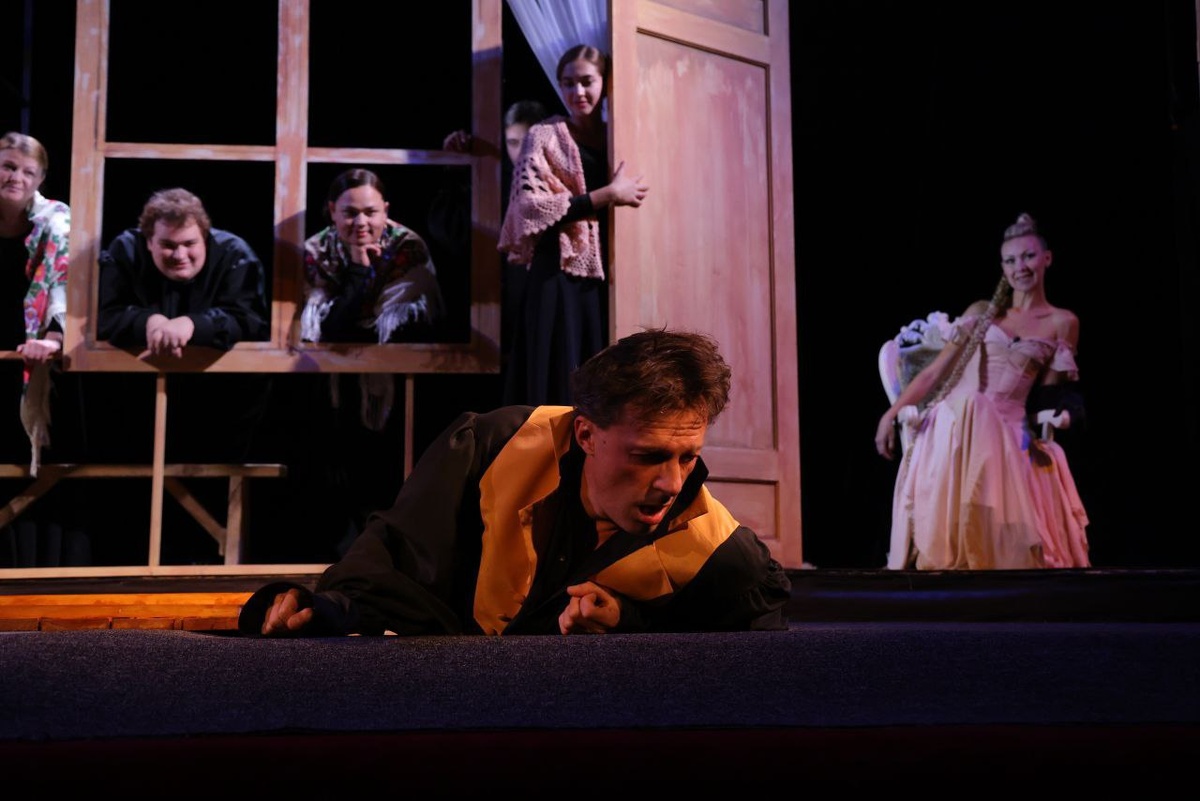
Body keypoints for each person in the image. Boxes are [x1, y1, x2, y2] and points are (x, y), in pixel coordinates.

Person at [238, 327, 792, 637]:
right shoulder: (494, 448)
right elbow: (394, 565)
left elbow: (753, 677)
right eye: (648, 456)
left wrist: (631, 623)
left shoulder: (722, 554)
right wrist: (320, 609)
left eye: (688, 457)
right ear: (586, 434)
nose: (672, 483)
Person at [874, 212, 1090, 570]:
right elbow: (934, 372)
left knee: (986, 414)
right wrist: (891, 413)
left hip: (1011, 429)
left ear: (1047, 259)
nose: (1020, 267)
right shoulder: (983, 312)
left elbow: (1051, 391)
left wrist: (1063, 414)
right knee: (976, 404)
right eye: (1010, 260)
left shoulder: (1062, 322)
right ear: (1003, 267)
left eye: (1028, 256)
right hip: (954, 423)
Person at [96, 187, 272, 563]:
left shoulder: (235, 254)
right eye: (167, 245)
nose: (180, 255)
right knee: (135, 502)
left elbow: (251, 319)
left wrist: (193, 325)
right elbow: (103, 315)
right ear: (148, 241)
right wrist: (149, 321)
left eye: (189, 244)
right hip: (138, 406)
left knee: (210, 499)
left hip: (219, 406)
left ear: (205, 236)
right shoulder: (125, 250)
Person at [497, 45, 649, 407]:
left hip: (609, 272)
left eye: (586, 82)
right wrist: (607, 194)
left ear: (605, 83)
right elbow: (530, 208)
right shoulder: (544, 135)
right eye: (568, 83)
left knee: (605, 380)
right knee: (559, 377)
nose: (577, 92)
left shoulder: (620, 135)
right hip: (559, 272)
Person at [0, 131, 89, 566]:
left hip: (37, 362)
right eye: (7, 166)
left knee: (36, 472)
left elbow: (65, 286)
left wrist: (54, 337)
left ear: (40, 179)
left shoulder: (57, 221)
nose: (16, 177)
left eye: (27, 171)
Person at [444, 99, 549, 369]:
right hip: (495, 307)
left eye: (528, 142)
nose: (522, 152)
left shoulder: (558, 181)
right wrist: (457, 166)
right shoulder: (494, 183)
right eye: (513, 143)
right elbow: (451, 232)